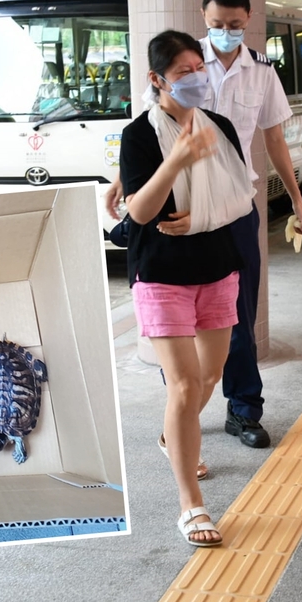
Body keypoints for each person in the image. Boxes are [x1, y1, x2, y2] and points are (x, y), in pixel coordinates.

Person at [104, 30, 255, 547]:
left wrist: (204, 216)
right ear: (157, 80)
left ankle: (175, 436)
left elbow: (242, 199)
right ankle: (191, 505)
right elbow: (141, 212)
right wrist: (179, 159)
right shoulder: (141, 136)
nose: (196, 77)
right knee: (185, 385)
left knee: (210, 376)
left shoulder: (223, 127)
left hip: (218, 266)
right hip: (162, 273)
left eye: (200, 68)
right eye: (183, 71)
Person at [199, 0, 302, 449]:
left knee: (241, 313)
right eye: (217, 22)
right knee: (186, 315)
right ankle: (181, 410)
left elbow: (274, 139)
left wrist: (297, 198)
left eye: (236, 23)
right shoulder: (184, 63)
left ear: (249, 20)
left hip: (239, 212)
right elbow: (151, 126)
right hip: (186, 213)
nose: (227, 30)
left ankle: (244, 409)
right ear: (203, 16)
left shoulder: (262, 70)